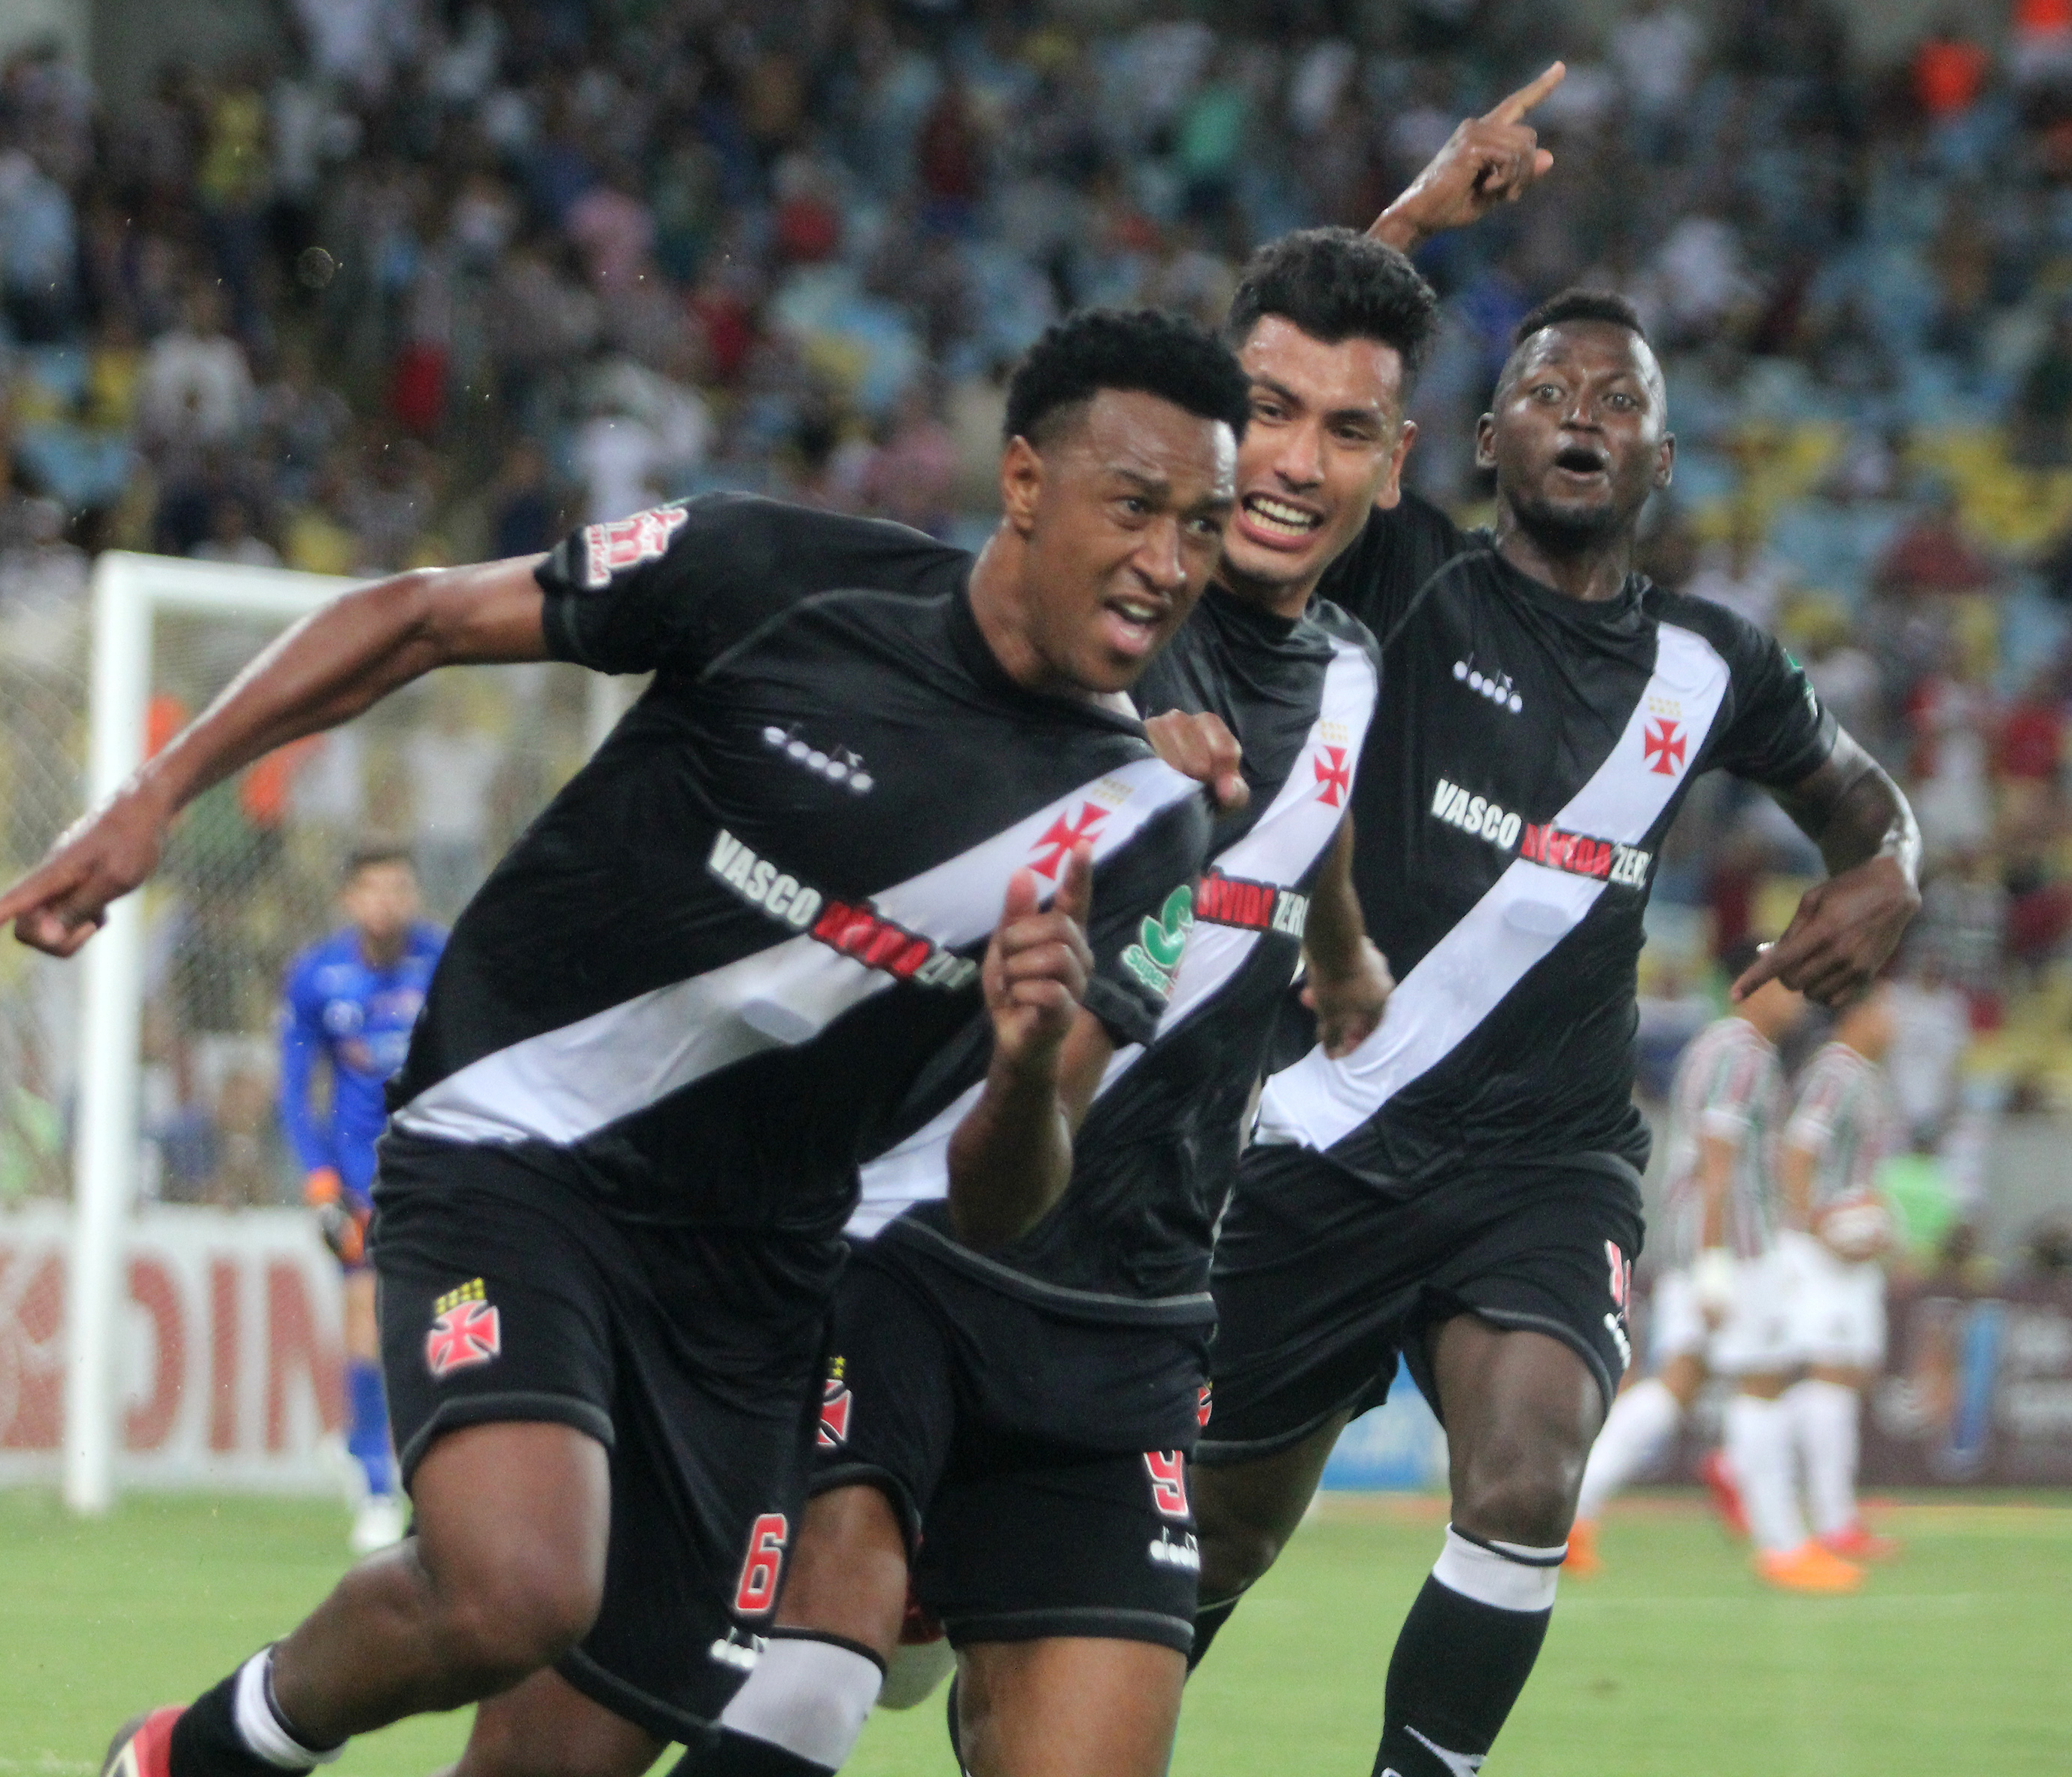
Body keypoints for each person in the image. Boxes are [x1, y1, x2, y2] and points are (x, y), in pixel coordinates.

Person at [445, 83, 1572, 1777]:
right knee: (721, 1695)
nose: (1289, 462)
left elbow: (1315, 781)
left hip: (1126, 1315)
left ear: (1393, 459)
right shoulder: (1106, 604)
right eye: (1258, 421)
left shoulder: (1349, 657)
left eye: (1343, 433)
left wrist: (1338, 947)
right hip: (890, 1250)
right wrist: (1402, 213)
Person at [0, 307, 1244, 1777]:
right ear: (1021, 481)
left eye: (1198, 527)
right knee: (514, 1583)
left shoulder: (1142, 827)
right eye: (1133, 507)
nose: (1168, 559)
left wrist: (1017, 1059)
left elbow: (1006, 1191)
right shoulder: (774, 575)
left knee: (560, 1757)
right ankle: (195, 1755)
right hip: (519, 1138)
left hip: (754, 1280)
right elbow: (420, 616)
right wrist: (154, 792)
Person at [1185, 287, 1922, 1777]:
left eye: (1617, 399)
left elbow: (1864, 809)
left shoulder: (1713, 664)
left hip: (1544, 1162)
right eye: (1545, 391)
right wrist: (1400, 232)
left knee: (1524, 1482)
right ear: (1477, 440)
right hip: (1327, 1133)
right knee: (1218, 1542)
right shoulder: (1400, 573)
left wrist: (1890, 870)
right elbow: (1257, 418)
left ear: (1660, 460)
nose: (1580, 415)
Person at [1567, 977, 1806, 1574]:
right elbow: (1717, 1162)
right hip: (1733, 1245)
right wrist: (1715, 1260)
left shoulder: (1716, 1048)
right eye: (1788, 987)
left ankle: (1571, 1511)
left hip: (1696, 1242)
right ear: (1751, 989)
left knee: (1677, 1382)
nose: (1799, 1000)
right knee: (1762, 1381)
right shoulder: (1740, 1055)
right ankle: (1782, 1547)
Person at [276, 846, 446, 1554]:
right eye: (372, 889)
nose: (386, 902)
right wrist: (320, 1181)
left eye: (398, 887)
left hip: (440, 1167)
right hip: (362, 1178)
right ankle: (377, 1482)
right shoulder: (317, 976)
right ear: (349, 899)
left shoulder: (445, 962)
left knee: (440, 1324)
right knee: (365, 1310)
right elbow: (295, 1087)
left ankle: (375, 1449)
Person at [1773, 990, 1902, 1565]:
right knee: (1829, 1369)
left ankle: (1818, 1501)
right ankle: (1829, 1518)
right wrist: (1815, 1226)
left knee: (1852, 1372)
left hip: (1851, 1248)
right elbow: (1796, 1152)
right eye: (1884, 1011)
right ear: (1857, 1016)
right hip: (1819, 1250)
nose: (1893, 1023)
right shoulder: (1834, 1072)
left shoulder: (1863, 1076)